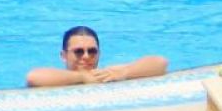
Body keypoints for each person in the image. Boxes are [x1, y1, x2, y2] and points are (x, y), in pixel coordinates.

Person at [25, 26, 168, 88]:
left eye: (92, 51)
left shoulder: (107, 74)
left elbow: (160, 63)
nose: (86, 56)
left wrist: (123, 73)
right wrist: (81, 77)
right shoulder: (58, 77)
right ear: (64, 56)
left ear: (99, 54)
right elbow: (33, 77)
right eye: (79, 51)